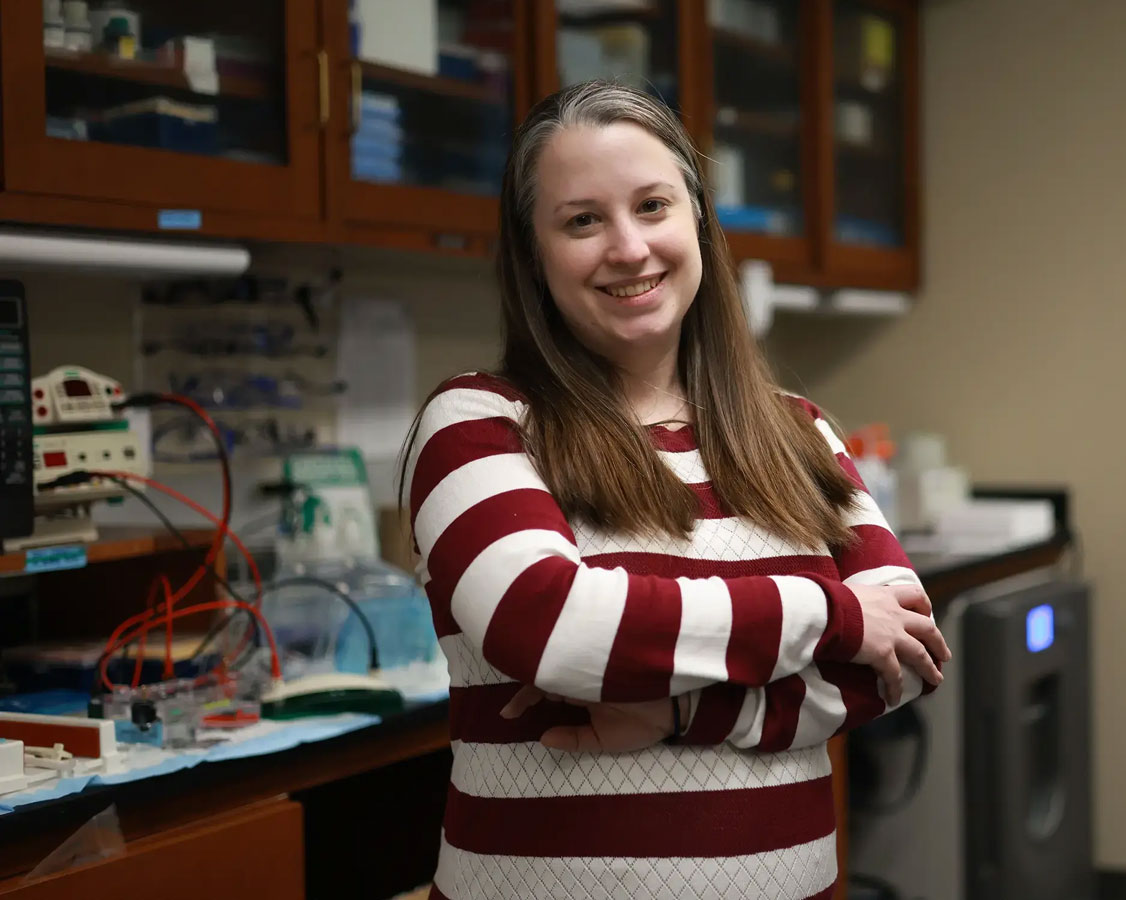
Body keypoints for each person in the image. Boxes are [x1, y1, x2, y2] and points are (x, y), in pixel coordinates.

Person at [402, 80, 949, 900]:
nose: (628, 247)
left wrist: (680, 715)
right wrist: (830, 613)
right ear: (534, 252)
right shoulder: (479, 421)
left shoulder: (796, 430)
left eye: (652, 205)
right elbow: (546, 624)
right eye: (582, 220)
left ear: (697, 220)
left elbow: (899, 656)